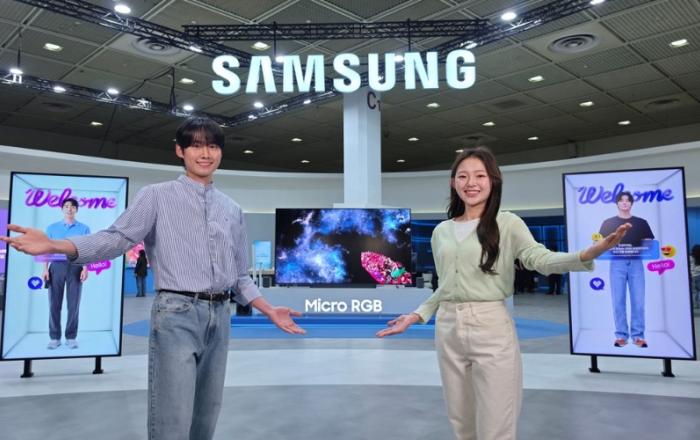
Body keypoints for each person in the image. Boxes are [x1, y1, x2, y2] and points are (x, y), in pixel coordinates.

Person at [1, 116, 306, 440]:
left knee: (205, 418)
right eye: (196, 146)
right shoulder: (156, 196)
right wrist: (55, 245)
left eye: (213, 146)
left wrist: (268, 309)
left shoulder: (231, 209)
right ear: (180, 151)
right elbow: (116, 239)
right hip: (176, 314)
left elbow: (239, 274)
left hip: (220, 318)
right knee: (171, 421)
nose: (205, 154)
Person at [376, 147, 630, 440]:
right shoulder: (441, 232)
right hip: (448, 328)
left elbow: (540, 259)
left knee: (496, 424)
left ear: (493, 181)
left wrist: (586, 254)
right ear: (453, 183)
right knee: (461, 421)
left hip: (491, 327)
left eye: (480, 176)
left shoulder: (508, 223)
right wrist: (417, 315)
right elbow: (446, 286)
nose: (471, 183)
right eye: (463, 176)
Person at [599, 191, 654, 348]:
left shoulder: (641, 222)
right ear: (617, 203)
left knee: (638, 301)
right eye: (621, 200)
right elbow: (601, 243)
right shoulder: (608, 223)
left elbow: (649, 244)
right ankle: (621, 336)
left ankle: (638, 336)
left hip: (636, 262)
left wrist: (639, 249)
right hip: (617, 263)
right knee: (618, 300)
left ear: (631, 203)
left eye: (627, 200)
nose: (624, 202)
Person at [42, 197, 90, 350]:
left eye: (73, 206)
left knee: (73, 304)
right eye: (67, 206)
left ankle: (71, 337)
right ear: (62, 209)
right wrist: (45, 268)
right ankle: (54, 337)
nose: (69, 209)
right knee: (54, 304)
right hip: (56, 267)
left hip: (76, 267)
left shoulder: (84, 228)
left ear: (76, 210)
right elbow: (47, 249)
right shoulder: (52, 228)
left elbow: (86, 250)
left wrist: (85, 268)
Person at [690, 244, 700, 308]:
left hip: (692, 276)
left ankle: (695, 304)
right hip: (699, 275)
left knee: (694, 292)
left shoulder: (690, 257)